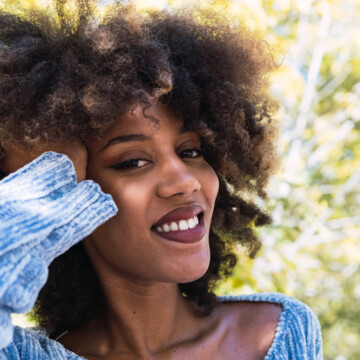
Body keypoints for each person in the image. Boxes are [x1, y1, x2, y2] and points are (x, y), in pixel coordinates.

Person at [0, 1, 323, 359]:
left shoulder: (278, 332)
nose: (185, 181)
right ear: (75, 197)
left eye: (191, 151)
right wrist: (47, 179)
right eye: (133, 161)